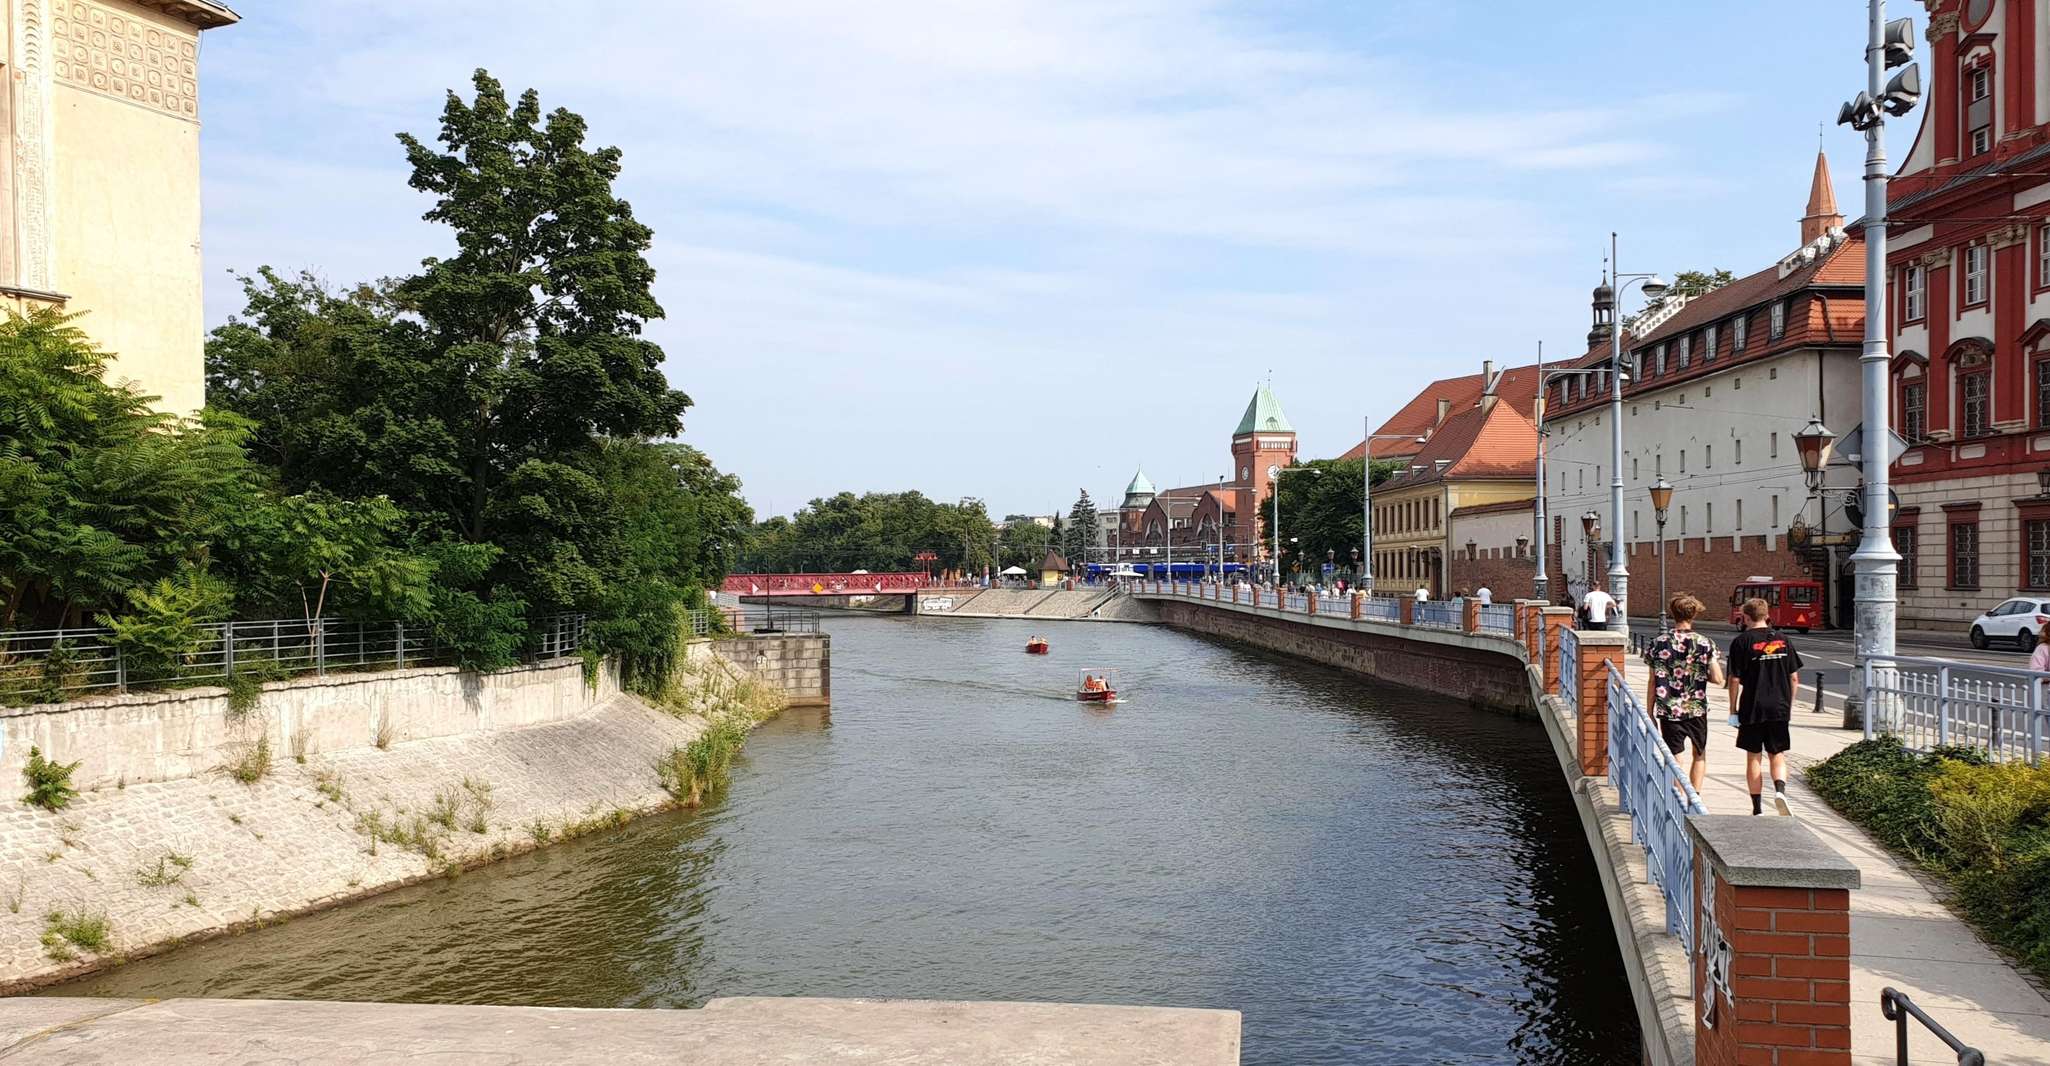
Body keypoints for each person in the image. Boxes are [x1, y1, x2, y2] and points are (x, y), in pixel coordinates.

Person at [1727, 597, 1803, 816]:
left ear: (1747, 617)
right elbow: (1794, 677)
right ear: (1767, 615)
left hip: (1752, 706)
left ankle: (1757, 808)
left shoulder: (1741, 642)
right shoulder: (1783, 639)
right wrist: (1789, 706)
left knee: (1753, 756)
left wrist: (1733, 710)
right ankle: (1780, 791)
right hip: (1779, 706)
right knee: (1777, 753)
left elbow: (1734, 679)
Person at [1643, 593, 1723, 791]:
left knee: (1675, 755)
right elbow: (1718, 679)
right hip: (1696, 709)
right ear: (1693, 614)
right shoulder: (1705, 643)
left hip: (1669, 710)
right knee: (1699, 753)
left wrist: (1649, 711)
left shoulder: (1658, 643)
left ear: (1672, 614)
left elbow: (1653, 681)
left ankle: (1679, 799)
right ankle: (1695, 798)